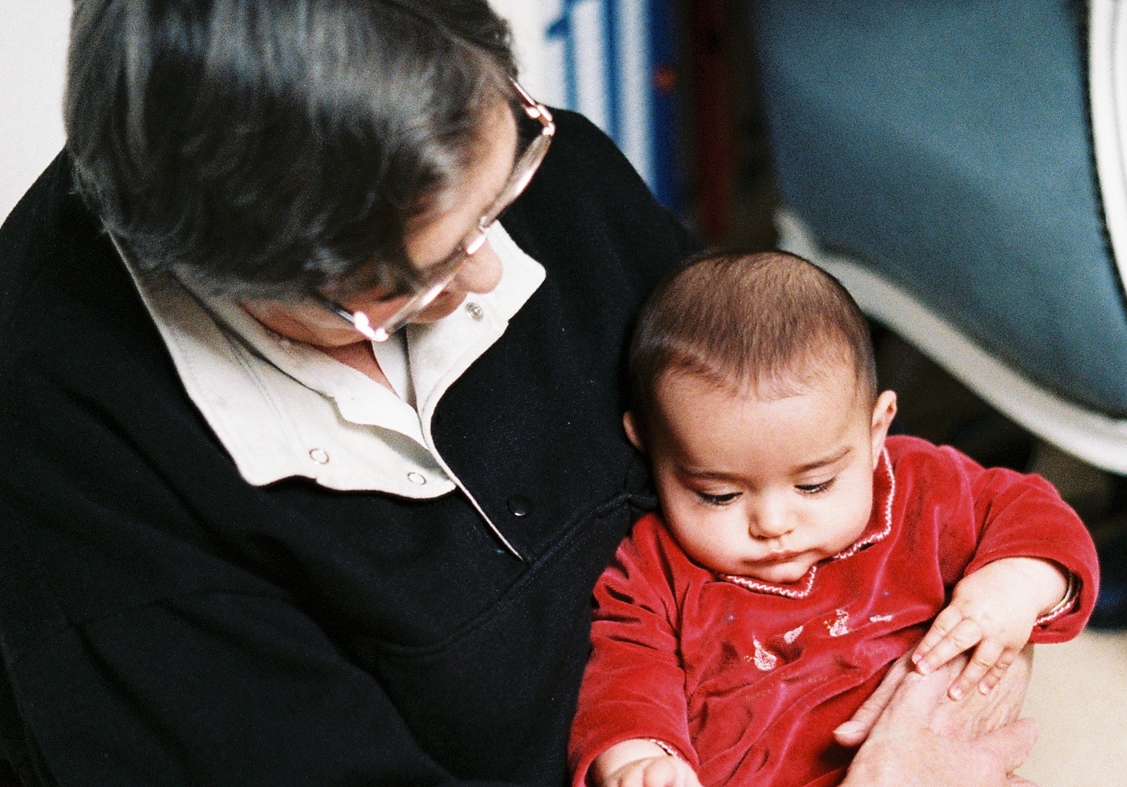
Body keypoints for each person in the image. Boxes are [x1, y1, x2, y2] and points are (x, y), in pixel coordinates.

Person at [0, 1, 1064, 785]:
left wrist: (955, 659)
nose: (485, 271)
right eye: (398, 286)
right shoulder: (71, 453)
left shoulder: (524, 172)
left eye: (496, 186)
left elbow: (792, 425)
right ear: (220, 276)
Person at [568, 251, 1100, 787]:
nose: (773, 523)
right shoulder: (651, 568)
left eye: (814, 484)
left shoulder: (918, 486)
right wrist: (640, 760)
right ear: (649, 446)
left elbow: (1031, 513)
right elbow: (625, 678)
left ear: (875, 433)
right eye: (719, 495)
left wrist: (1013, 585)